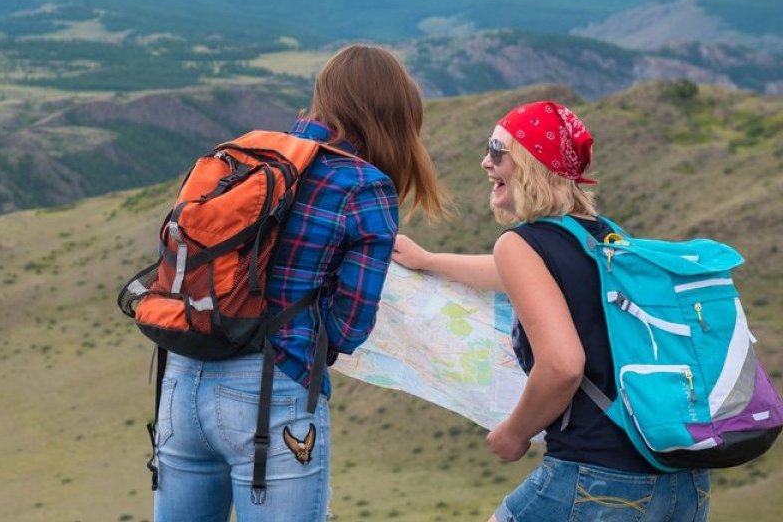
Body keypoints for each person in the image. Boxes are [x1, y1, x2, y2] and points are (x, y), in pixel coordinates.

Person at [153, 44, 447, 521]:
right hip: (270, 393)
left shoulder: (252, 156)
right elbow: (348, 328)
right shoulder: (364, 185)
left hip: (182, 380)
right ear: (393, 117)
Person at [392, 101, 710, 522]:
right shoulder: (607, 239)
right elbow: (514, 275)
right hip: (682, 482)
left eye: (497, 150)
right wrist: (429, 260)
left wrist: (513, 434)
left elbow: (562, 365)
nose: (486, 162)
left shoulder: (522, 244)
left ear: (530, 161)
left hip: (598, 480)